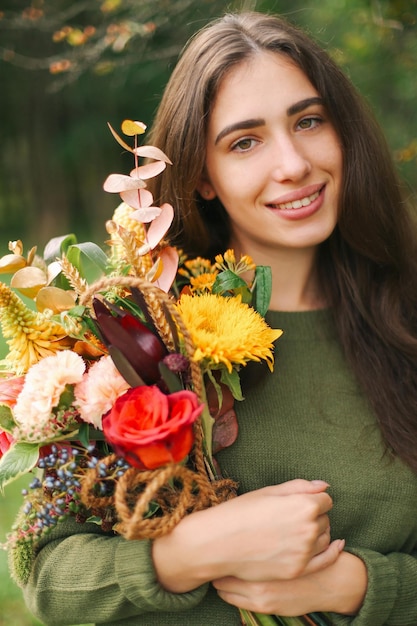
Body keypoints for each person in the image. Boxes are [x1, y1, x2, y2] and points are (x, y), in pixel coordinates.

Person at [12, 10, 417, 626]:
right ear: (202, 175)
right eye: (245, 141)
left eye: (308, 122)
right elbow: (48, 577)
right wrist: (195, 552)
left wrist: (356, 586)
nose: (293, 164)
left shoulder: (405, 324)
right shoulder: (133, 338)